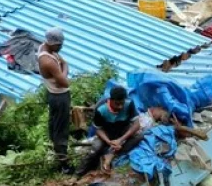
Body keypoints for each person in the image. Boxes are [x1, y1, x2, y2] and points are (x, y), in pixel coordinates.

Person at [77, 86, 142, 176]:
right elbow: (98, 129)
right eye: (117, 104)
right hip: (107, 133)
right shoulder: (100, 109)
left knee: (139, 136)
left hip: (123, 129)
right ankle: (78, 174)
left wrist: (121, 140)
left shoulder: (129, 103)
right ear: (110, 100)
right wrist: (109, 141)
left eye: (122, 104)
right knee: (96, 148)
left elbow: (137, 124)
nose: (120, 107)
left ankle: (111, 156)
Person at [38, 27, 72, 173]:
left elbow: (63, 63)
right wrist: (65, 70)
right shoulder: (48, 61)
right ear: (52, 43)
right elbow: (65, 82)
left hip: (55, 94)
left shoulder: (47, 49)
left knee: (55, 126)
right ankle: (64, 164)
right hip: (59, 97)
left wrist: (63, 69)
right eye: (59, 45)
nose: (61, 48)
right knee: (60, 129)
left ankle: (59, 156)